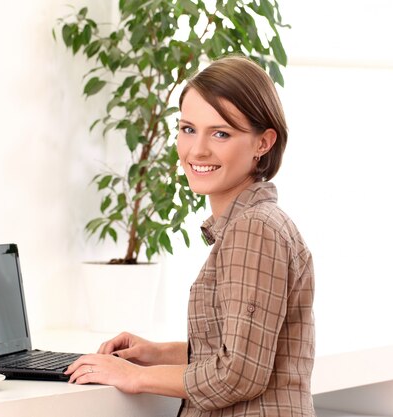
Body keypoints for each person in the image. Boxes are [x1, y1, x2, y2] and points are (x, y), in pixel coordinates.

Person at [65, 55, 316, 417]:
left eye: (221, 133)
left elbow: (239, 375)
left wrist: (134, 376)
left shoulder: (254, 229)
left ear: (264, 142)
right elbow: (242, 349)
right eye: (187, 129)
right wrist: (155, 353)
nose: (197, 150)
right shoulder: (255, 224)